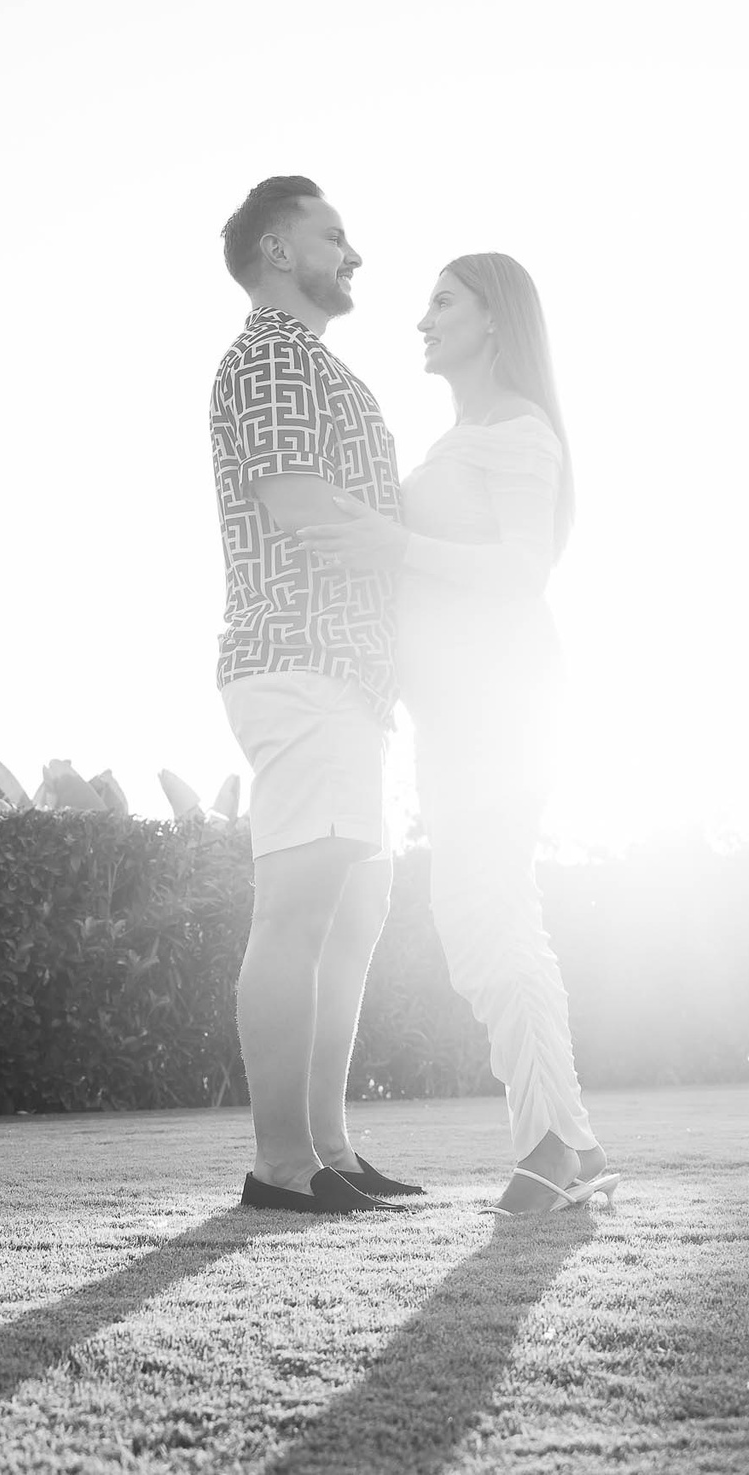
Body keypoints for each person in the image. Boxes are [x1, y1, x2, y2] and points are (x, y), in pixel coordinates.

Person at [298, 253, 618, 1216]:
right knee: (483, 918)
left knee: (490, 914)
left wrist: (391, 541)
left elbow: (522, 570)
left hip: (503, 704)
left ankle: (557, 1145)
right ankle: (572, 1140)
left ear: (495, 320)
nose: (423, 318)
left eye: (444, 301)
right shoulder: (463, 438)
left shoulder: (519, 432)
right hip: (456, 712)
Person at [209, 175, 422, 1215]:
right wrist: (420, 562)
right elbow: (298, 507)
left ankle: (327, 1147)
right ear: (278, 249)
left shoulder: (316, 364)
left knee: (352, 909)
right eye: (333, 236)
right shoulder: (269, 358)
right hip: (297, 662)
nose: (354, 254)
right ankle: (280, 1166)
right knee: (299, 907)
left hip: (348, 678)